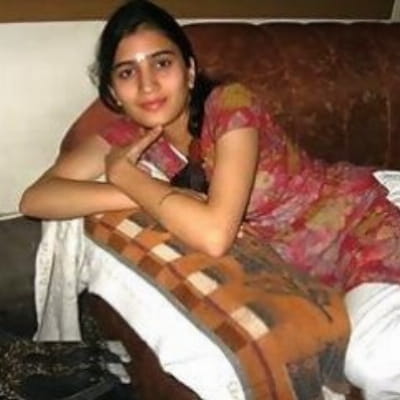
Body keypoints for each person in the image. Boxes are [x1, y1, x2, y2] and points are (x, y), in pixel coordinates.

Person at [19, 1, 400, 399]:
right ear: (114, 92)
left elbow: (216, 233)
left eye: (162, 63)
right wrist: (132, 189)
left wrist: (130, 178)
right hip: (313, 267)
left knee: (374, 361)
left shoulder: (229, 104)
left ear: (189, 71)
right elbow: (37, 198)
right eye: (128, 72)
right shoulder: (129, 136)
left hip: (361, 220)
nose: (147, 85)